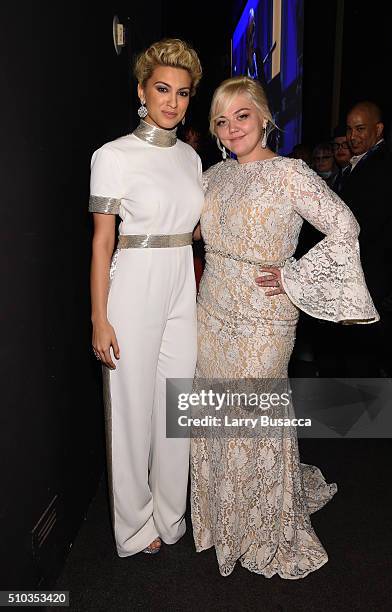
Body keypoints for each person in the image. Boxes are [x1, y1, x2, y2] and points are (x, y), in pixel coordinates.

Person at [190, 76, 378, 579]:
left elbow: (346, 225)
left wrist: (295, 275)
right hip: (212, 312)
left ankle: (263, 524)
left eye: (242, 116)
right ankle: (222, 517)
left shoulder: (292, 173)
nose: (232, 130)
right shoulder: (212, 177)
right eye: (222, 122)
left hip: (264, 318)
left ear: (265, 116)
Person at [89, 39, 203, 556]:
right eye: (162, 89)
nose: (172, 101)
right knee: (131, 410)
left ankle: (170, 514)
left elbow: (194, 230)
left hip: (184, 282)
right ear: (142, 90)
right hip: (132, 284)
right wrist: (99, 317)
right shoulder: (112, 155)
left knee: (177, 405)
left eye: (182, 92)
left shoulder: (191, 158)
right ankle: (134, 527)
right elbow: (102, 241)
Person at [338, 101, 392, 376]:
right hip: (360, 273)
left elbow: (367, 225)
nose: (353, 136)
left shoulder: (382, 166)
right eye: (350, 129)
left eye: (361, 129)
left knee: (360, 358)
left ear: (378, 129)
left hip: (369, 273)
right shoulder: (361, 163)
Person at [329, 126, 353, 194]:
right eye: (336, 145)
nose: (340, 149)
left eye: (345, 144)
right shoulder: (336, 176)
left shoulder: (359, 172)